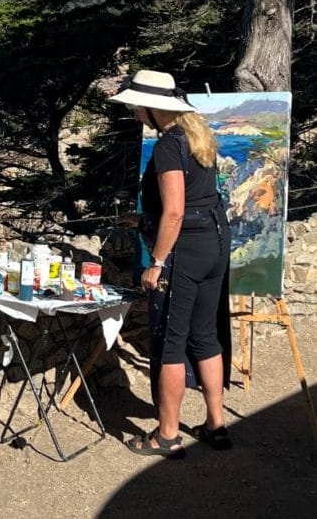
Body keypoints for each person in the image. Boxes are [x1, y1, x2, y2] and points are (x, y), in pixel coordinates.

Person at [108, 69, 232, 459]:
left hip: (185, 252)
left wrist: (157, 262)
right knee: (205, 335)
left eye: (135, 106)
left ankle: (167, 435)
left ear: (152, 108)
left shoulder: (166, 146)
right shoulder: (197, 135)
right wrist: (144, 220)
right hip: (214, 243)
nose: (133, 113)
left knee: (171, 343)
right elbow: (196, 201)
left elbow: (176, 212)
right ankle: (216, 425)